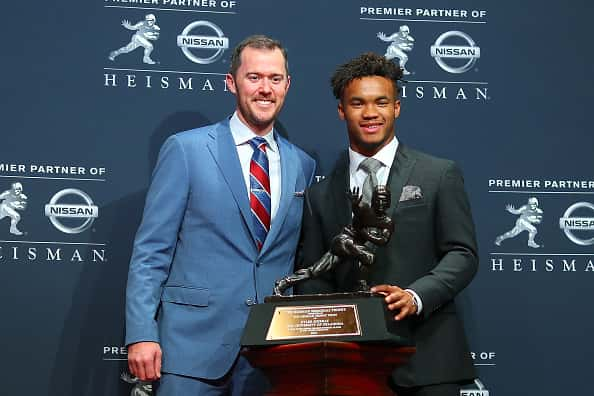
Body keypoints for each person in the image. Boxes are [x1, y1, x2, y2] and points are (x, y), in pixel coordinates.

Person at [125, 35, 316, 395]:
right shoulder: (187, 150)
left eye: (275, 79)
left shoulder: (302, 164)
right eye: (254, 77)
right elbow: (151, 252)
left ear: (287, 85)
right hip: (190, 350)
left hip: (270, 353)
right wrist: (141, 333)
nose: (265, 89)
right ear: (231, 83)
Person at [295, 52, 478, 396]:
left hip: (429, 361)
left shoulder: (438, 174)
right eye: (357, 103)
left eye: (381, 102)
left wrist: (415, 295)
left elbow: (462, 254)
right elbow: (314, 276)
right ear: (341, 110)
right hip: (351, 366)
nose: (370, 113)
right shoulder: (319, 194)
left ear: (396, 108)